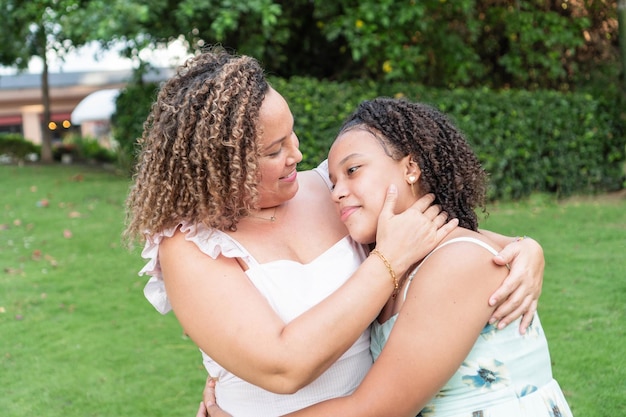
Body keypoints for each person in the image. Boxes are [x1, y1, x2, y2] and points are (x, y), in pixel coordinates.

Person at [123, 48, 545, 417]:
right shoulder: (190, 246)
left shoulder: (329, 187)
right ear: (219, 166)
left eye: (291, 134)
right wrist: (386, 263)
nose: (297, 154)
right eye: (274, 151)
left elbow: (430, 230)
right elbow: (282, 366)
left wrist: (521, 247)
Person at [200, 98, 571, 417]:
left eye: (353, 170)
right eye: (333, 180)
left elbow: (378, 409)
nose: (336, 192)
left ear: (410, 168)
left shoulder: (456, 262)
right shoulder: (387, 260)